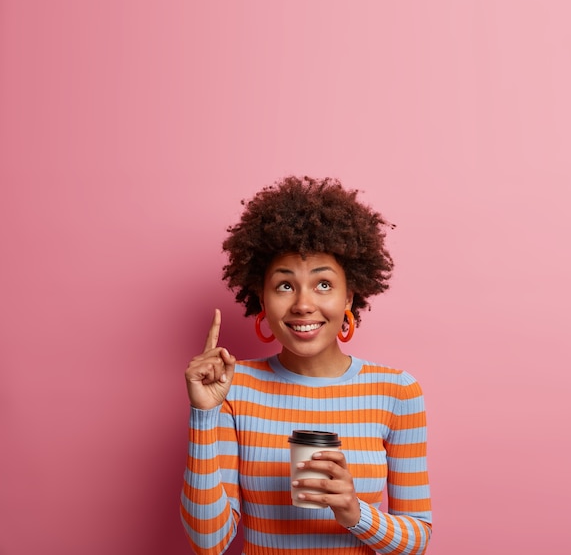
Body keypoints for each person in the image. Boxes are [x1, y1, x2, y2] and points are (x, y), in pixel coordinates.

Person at [181, 176, 432, 555]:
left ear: (350, 294)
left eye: (324, 285)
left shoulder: (397, 392)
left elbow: (417, 541)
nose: (302, 304)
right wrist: (203, 414)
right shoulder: (234, 388)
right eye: (284, 285)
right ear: (261, 297)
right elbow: (208, 542)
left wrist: (355, 512)